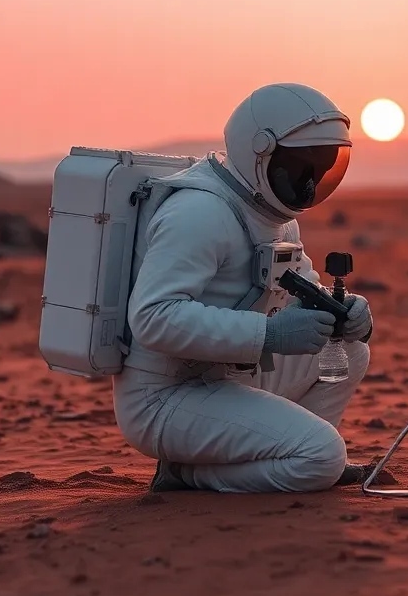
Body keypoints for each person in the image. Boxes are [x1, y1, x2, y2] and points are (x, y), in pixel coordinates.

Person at [112, 83, 374, 493]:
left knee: (348, 352)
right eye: (300, 168)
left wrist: (343, 310)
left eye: (319, 170)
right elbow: (152, 317)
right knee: (321, 457)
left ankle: (288, 453)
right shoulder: (199, 213)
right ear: (261, 153)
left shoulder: (273, 214)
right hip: (165, 396)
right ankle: (188, 473)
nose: (308, 184)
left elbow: (298, 286)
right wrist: (269, 335)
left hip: (230, 377)